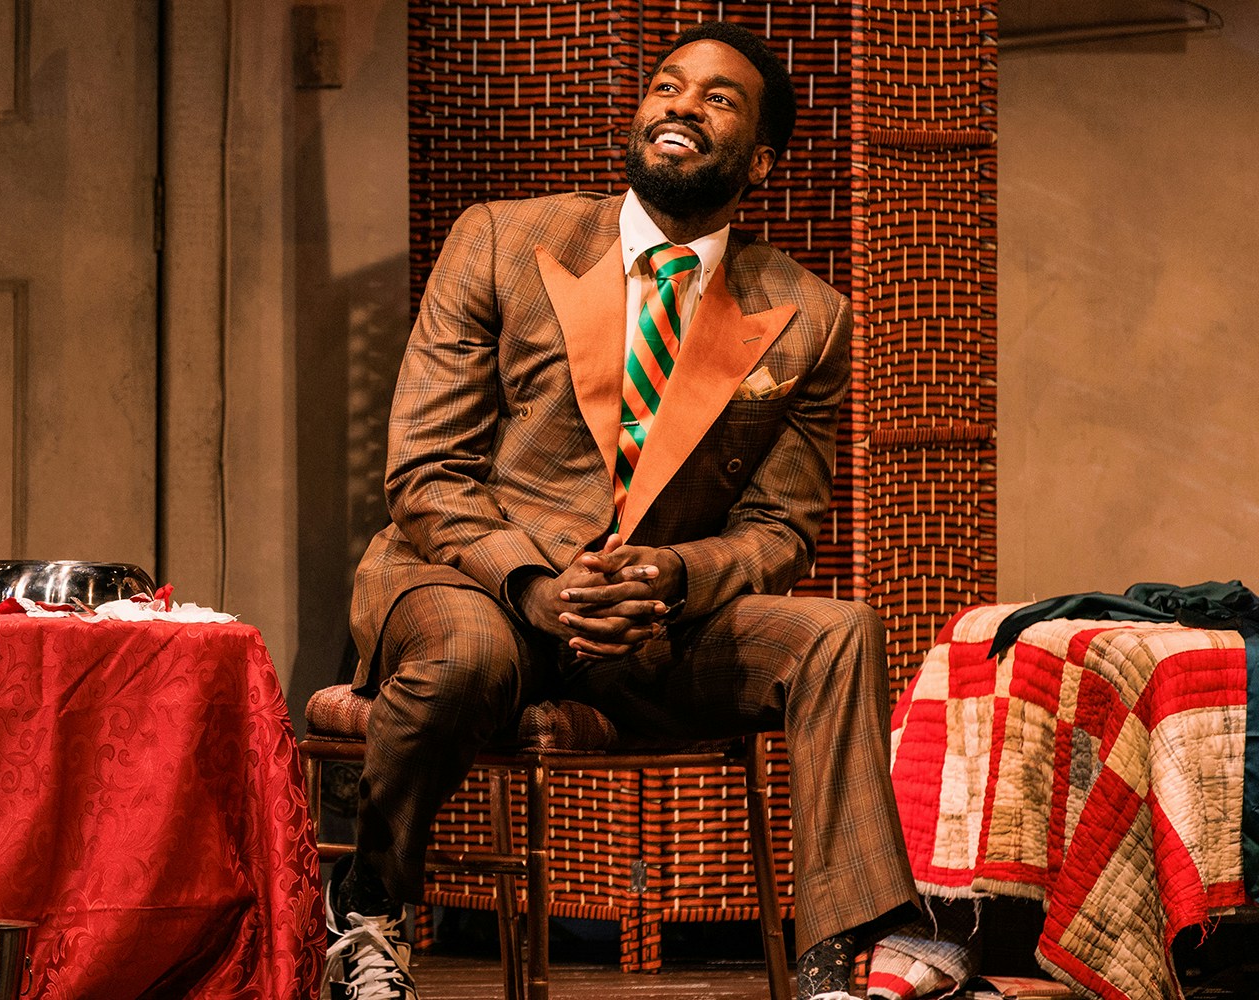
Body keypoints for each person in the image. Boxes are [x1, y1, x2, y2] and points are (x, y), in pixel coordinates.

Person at [325, 19, 920, 1000]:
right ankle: (370, 911)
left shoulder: (808, 316)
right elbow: (426, 471)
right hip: (473, 578)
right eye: (667, 85)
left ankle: (835, 962)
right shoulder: (503, 240)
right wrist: (538, 586)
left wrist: (673, 575)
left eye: (719, 98)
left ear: (760, 161)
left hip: (649, 624)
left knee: (838, 633)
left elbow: (781, 528)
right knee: (465, 655)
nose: (681, 104)